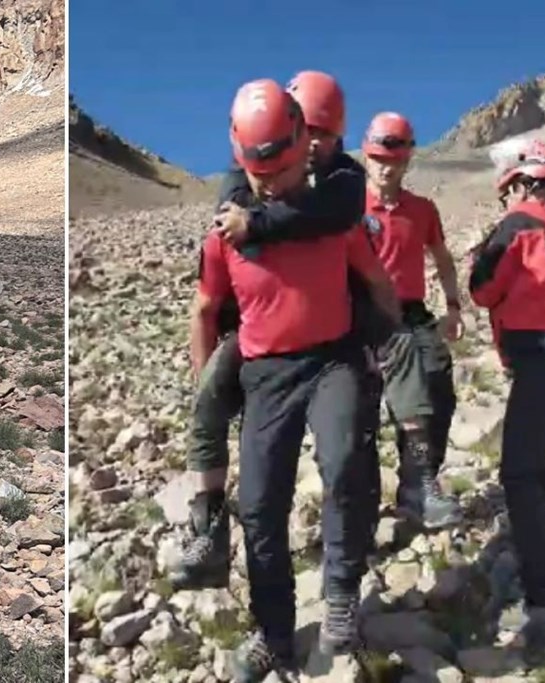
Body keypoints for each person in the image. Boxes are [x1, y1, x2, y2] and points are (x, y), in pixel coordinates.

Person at [192, 80, 400, 679]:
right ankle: (274, 635)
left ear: (305, 145)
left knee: (344, 466)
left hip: (333, 359)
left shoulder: (330, 212)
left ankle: (339, 601)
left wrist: (385, 343)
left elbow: (377, 281)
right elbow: (205, 310)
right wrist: (208, 386)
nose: (273, 183)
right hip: (266, 375)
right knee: (259, 509)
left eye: (284, 169)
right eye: (261, 173)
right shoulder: (224, 230)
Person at [172, 70, 373, 591]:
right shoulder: (238, 190)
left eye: (327, 136)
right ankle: (209, 524)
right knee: (211, 396)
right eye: (315, 133)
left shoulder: (343, 186)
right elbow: (206, 299)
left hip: (329, 336)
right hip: (258, 337)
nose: (320, 147)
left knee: (347, 449)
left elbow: (336, 215)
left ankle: (351, 555)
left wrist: (258, 224)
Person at [469, 139, 545, 663]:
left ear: (523, 183)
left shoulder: (519, 223)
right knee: (537, 456)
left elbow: (483, 288)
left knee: (519, 474)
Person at [360, 112, 463, 529]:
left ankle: (417, 484)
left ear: (407, 162)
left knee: (440, 391)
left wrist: (453, 307)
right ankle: (371, 501)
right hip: (365, 313)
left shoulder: (421, 210)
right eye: (378, 158)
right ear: (367, 157)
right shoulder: (348, 208)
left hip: (414, 311)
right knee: (372, 407)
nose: (386, 167)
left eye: (395, 160)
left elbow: (442, 259)